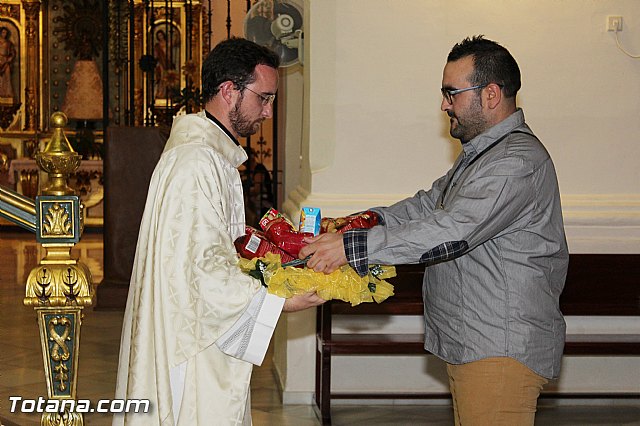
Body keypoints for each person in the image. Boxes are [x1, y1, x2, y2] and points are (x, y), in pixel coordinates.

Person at [299, 35, 568, 426]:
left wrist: (352, 247)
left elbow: (451, 231)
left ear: (491, 94)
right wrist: (357, 223)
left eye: (451, 93)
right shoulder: (483, 156)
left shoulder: (515, 162)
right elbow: (427, 205)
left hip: (499, 347)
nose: (444, 105)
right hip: (477, 341)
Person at [114, 37, 324, 426]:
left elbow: (213, 246)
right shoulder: (196, 162)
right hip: (189, 340)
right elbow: (201, 271)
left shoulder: (212, 154)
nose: (268, 112)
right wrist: (278, 300)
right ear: (229, 91)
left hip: (199, 326)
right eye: (263, 98)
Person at [0, 26, 16, 101]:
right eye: (3, 32)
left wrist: (9, 58)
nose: (4, 34)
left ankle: (7, 94)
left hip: (6, 61)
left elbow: (13, 53)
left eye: (5, 33)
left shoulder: (9, 43)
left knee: (7, 76)